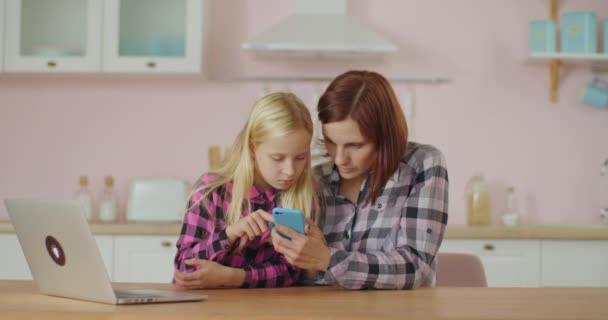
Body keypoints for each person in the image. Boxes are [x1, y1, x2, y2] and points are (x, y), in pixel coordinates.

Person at [270, 70, 449, 290]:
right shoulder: (315, 179)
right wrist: (304, 262)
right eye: (330, 141)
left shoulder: (422, 164)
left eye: (355, 145)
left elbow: (415, 267)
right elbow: (299, 278)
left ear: (385, 137)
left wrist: (327, 260)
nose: (339, 158)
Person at [173, 92, 317, 289]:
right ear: (251, 149)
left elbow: (291, 272)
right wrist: (229, 234)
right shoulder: (212, 191)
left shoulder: (304, 196)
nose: (290, 171)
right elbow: (184, 268)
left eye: (300, 157)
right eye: (277, 158)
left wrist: (232, 277)